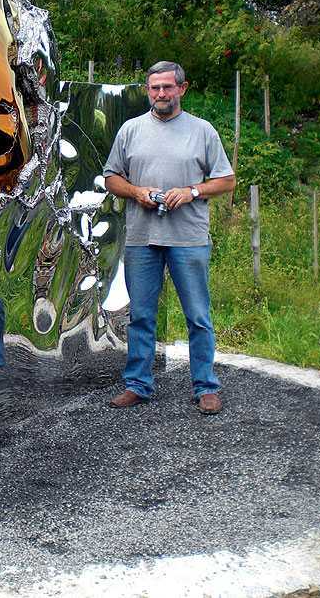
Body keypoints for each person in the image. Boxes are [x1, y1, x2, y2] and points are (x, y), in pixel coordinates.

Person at [102, 61, 236, 414]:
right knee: (141, 316)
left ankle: (206, 386)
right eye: (155, 88)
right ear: (147, 90)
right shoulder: (130, 130)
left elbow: (226, 180)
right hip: (142, 239)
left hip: (189, 239)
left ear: (182, 89)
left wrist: (192, 191)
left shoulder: (203, 131)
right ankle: (138, 385)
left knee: (197, 316)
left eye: (168, 87)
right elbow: (111, 177)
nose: (161, 94)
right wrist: (135, 192)